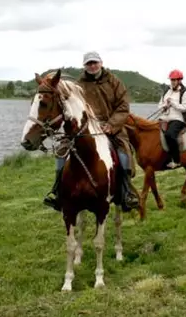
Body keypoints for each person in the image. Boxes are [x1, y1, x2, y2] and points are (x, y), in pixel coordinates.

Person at [43, 51, 140, 212]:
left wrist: (111, 124)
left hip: (111, 128)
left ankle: (126, 191)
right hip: (84, 129)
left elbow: (123, 107)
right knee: (61, 153)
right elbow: (70, 106)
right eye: (89, 63)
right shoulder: (78, 85)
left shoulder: (114, 82)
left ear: (101, 63)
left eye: (95, 62)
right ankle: (57, 191)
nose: (92, 66)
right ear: (85, 66)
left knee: (124, 155)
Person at [157, 69, 186, 169]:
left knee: (169, 135)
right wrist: (164, 105)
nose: (172, 82)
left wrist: (173, 103)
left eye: (174, 80)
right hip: (164, 118)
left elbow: (185, 107)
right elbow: (159, 105)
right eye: (171, 80)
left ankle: (176, 160)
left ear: (179, 80)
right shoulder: (166, 92)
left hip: (178, 119)